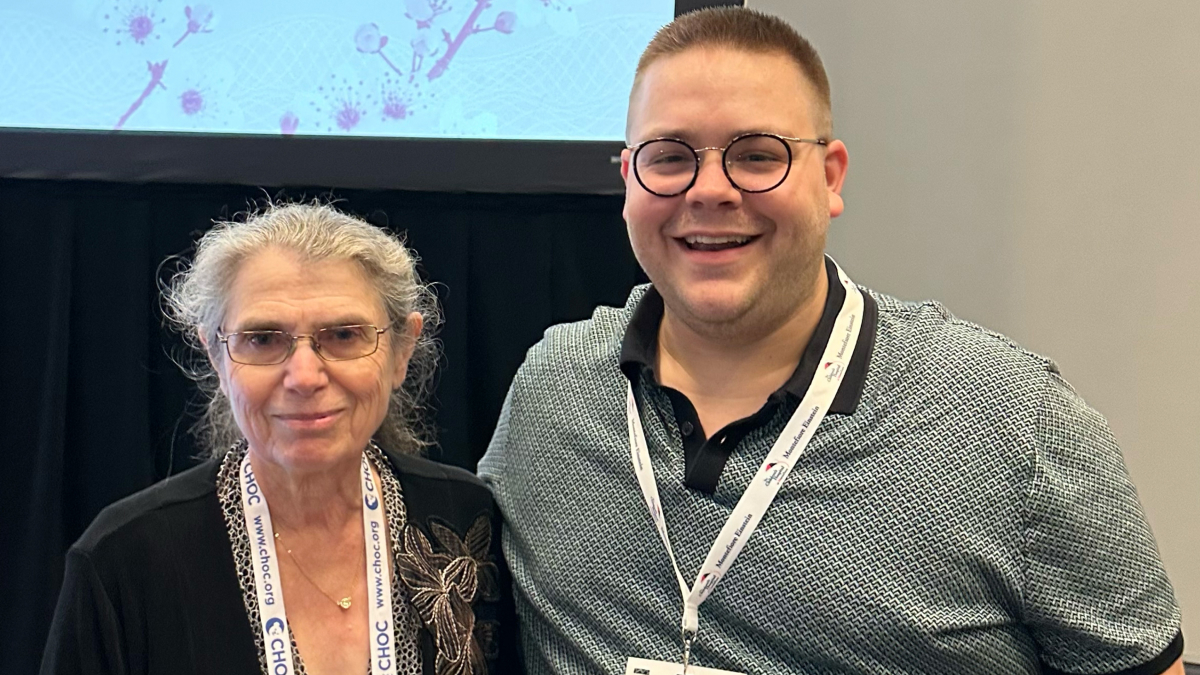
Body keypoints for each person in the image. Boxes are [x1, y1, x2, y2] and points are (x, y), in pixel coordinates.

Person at [478, 7, 1184, 675]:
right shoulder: (553, 391)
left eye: (758, 155)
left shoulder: (1015, 422)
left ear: (830, 175)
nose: (711, 190)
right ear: (630, 178)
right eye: (670, 156)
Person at [42, 203, 516, 675]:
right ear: (216, 357)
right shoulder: (123, 561)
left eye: (344, 335)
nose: (305, 377)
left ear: (401, 351)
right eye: (264, 339)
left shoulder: (472, 521)